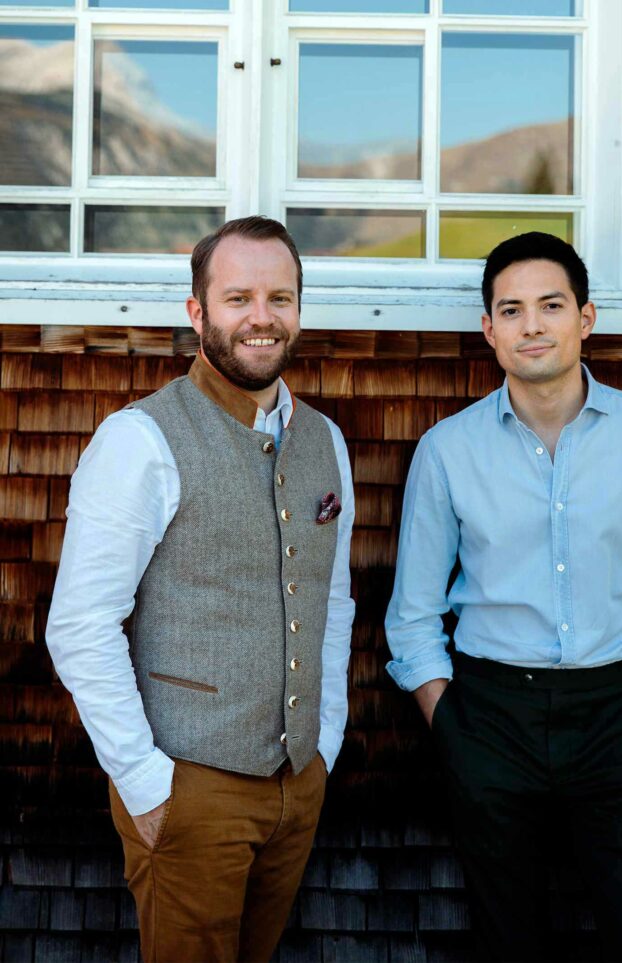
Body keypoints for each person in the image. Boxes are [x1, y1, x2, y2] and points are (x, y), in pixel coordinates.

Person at [385, 232, 622, 962]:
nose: (531, 324)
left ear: (587, 318)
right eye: (512, 309)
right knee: (509, 942)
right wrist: (455, 730)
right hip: (490, 719)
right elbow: (412, 619)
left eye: (550, 305)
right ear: (490, 330)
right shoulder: (448, 450)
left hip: (617, 715)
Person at [46, 215, 355, 963]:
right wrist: (148, 784)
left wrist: (327, 742)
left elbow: (332, 601)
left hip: (296, 783)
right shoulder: (140, 440)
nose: (261, 316)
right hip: (188, 786)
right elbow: (80, 625)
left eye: (279, 297)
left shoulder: (326, 439)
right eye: (238, 296)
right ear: (198, 312)